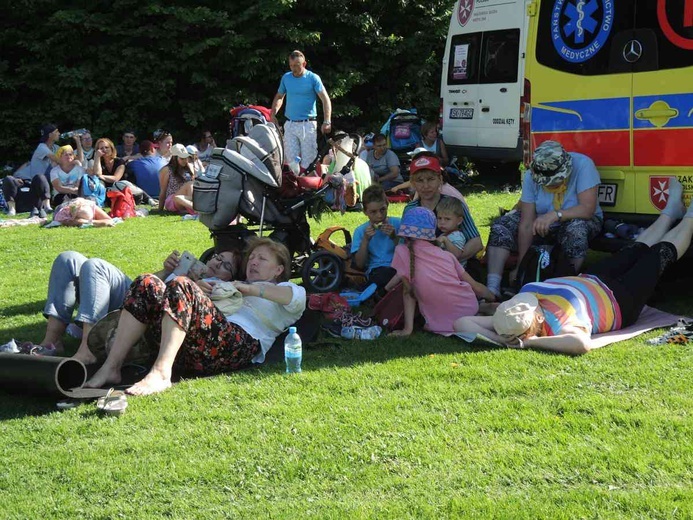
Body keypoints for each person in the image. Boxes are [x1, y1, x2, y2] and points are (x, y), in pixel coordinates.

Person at [455, 177, 693, 355]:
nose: (523, 301)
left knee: (634, 249)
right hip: (619, 301)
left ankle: (670, 212)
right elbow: (581, 344)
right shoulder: (558, 326)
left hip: (590, 281)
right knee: (658, 255)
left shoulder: (506, 321)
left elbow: (462, 323)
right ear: (537, 322)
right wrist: (527, 343)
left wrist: (503, 338)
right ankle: (690, 217)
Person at [85, 237, 306, 396]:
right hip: (193, 345)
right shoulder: (226, 284)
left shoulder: (288, 290)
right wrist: (197, 289)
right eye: (252, 258)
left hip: (236, 345)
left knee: (183, 286)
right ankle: (111, 367)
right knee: (147, 282)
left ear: (278, 270)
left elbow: (292, 299)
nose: (254, 262)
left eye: (262, 259)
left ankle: (161, 372)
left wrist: (249, 288)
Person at [39, 248, 242, 365]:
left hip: (146, 317)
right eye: (218, 257)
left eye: (226, 265)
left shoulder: (219, 289)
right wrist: (165, 271)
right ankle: (51, 342)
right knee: (69, 258)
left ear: (232, 277)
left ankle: (88, 349)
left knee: (95, 266)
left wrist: (194, 289)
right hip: (134, 300)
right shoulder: (191, 269)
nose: (217, 264)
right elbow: (142, 286)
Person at [484, 140, 603, 298]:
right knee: (501, 226)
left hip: (577, 218)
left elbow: (587, 210)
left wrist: (555, 215)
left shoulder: (583, 165)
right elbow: (526, 223)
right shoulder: (530, 175)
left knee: (576, 230)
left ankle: (565, 287)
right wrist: (522, 265)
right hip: (541, 221)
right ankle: (493, 288)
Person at [390, 207, 496, 337]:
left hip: (440, 322)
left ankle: (482, 310)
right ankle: (482, 309)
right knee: (467, 309)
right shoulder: (446, 255)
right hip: (467, 305)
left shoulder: (401, 252)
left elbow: (408, 292)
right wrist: (492, 296)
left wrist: (407, 329)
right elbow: (475, 286)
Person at [402, 154, 483, 262]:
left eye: (431, 179)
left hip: (454, 268)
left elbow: (476, 242)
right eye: (420, 180)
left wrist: (447, 263)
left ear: (440, 179)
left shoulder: (453, 204)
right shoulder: (410, 210)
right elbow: (406, 244)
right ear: (412, 183)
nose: (426, 186)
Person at [270, 50, 332, 171]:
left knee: (308, 162)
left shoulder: (313, 78)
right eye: (291, 66)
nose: (294, 69)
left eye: (297, 66)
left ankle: (308, 186)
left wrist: (327, 121)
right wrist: (273, 114)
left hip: (307, 125)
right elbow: (279, 97)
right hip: (290, 124)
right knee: (290, 161)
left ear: (304, 64)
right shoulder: (286, 78)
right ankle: (294, 186)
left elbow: (325, 99)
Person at [351, 185, 401, 289]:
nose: (379, 216)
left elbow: (409, 253)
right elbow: (360, 264)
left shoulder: (398, 223)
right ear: (365, 212)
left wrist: (394, 237)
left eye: (382, 210)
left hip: (399, 267)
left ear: (387, 205)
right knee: (383, 275)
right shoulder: (361, 231)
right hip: (377, 270)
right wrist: (365, 240)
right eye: (373, 212)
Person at [2, 124, 58, 216]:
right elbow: (59, 160)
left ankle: (47, 207)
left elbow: (67, 156)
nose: (59, 134)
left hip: (37, 183)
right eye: (57, 132)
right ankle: (12, 209)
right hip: (24, 180)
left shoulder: (56, 148)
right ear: (50, 134)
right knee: (8, 179)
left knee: (40, 177)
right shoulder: (42, 147)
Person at [158, 143, 195, 214]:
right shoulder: (167, 170)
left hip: (186, 198)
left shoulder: (189, 168)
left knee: (191, 184)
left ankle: (190, 209)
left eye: (186, 158)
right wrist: (160, 209)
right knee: (189, 184)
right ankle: (194, 209)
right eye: (182, 158)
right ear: (174, 158)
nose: (185, 161)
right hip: (173, 200)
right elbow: (163, 190)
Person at [48, 144, 87, 209]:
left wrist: (74, 190)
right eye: (66, 155)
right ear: (60, 157)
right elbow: (59, 188)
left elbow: (78, 186)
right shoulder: (54, 171)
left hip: (76, 195)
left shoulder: (80, 169)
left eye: (70, 154)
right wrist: (72, 189)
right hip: (60, 195)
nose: (69, 156)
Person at [435, 196, 467, 267]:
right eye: (439, 218)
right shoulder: (445, 234)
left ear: (459, 221)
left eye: (447, 219)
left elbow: (457, 255)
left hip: (454, 272)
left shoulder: (457, 236)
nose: (442, 222)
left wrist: (445, 240)